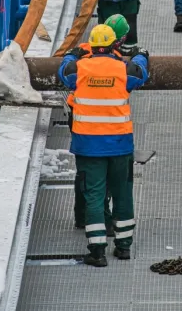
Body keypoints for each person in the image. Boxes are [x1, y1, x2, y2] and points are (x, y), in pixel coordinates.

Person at [59, 24, 150, 267]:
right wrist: (142, 54)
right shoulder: (122, 69)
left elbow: (64, 72)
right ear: (114, 46)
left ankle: (97, 251)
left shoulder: (80, 68)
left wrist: (72, 54)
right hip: (120, 145)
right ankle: (123, 247)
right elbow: (140, 73)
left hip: (89, 147)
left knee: (95, 197)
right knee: (123, 194)